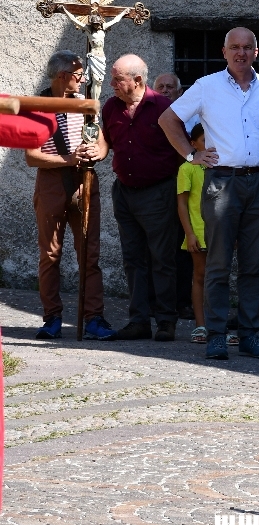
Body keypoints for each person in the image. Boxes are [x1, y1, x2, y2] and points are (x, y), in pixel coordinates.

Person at [159, 27, 259, 361]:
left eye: (247, 48)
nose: (241, 53)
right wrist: (190, 155)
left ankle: (250, 334)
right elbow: (168, 119)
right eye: (234, 48)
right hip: (222, 181)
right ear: (225, 52)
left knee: (254, 264)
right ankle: (217, 335)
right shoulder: (207, 86)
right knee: (218, 263)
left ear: (256, 53)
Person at [100, 54, 195, 341]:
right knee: (133, 258)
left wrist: (178, 193)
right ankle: (139, 320)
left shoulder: (164, 107)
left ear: (138, 81)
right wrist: (96, 150)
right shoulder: (111, 107)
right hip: (125, 192)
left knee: (162, 258)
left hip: (159, 192)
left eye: (118, 79)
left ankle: (166, 320)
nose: (112, 84)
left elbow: (183, 152)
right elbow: (107, 140)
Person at [25, 51, 114, 341]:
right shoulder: (37, 108)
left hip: (85, 182)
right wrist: (69, 158)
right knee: (50, 255)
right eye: (78, 74)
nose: (83, 79)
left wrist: (96, 153)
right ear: (63, 76)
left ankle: (94, 319)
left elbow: (102, 143)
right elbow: (32, 157)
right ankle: (51, 318)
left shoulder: (87, 104)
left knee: (90, 255)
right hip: (51, 185)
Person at [153, 70, 194, 319]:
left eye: (171, 87)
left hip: (185, 186)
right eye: (161, 87)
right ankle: (157, 301)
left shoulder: (191, 117)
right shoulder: (149, 117)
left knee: (184, 245)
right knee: (157, 246)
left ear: (180, 93)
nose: (166, 90)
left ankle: (183, 301)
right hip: (158, 186)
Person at [177, 122, 208, 343]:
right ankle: (200, 325)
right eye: (205, 141)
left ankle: (217, 325)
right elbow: (182, 204)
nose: (209, 146)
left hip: (219, 231)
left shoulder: (222, 165)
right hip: (198, 230)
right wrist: (190, 233)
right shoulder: (187, 168)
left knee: (219, 278)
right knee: (200, 276)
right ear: (193, 144)